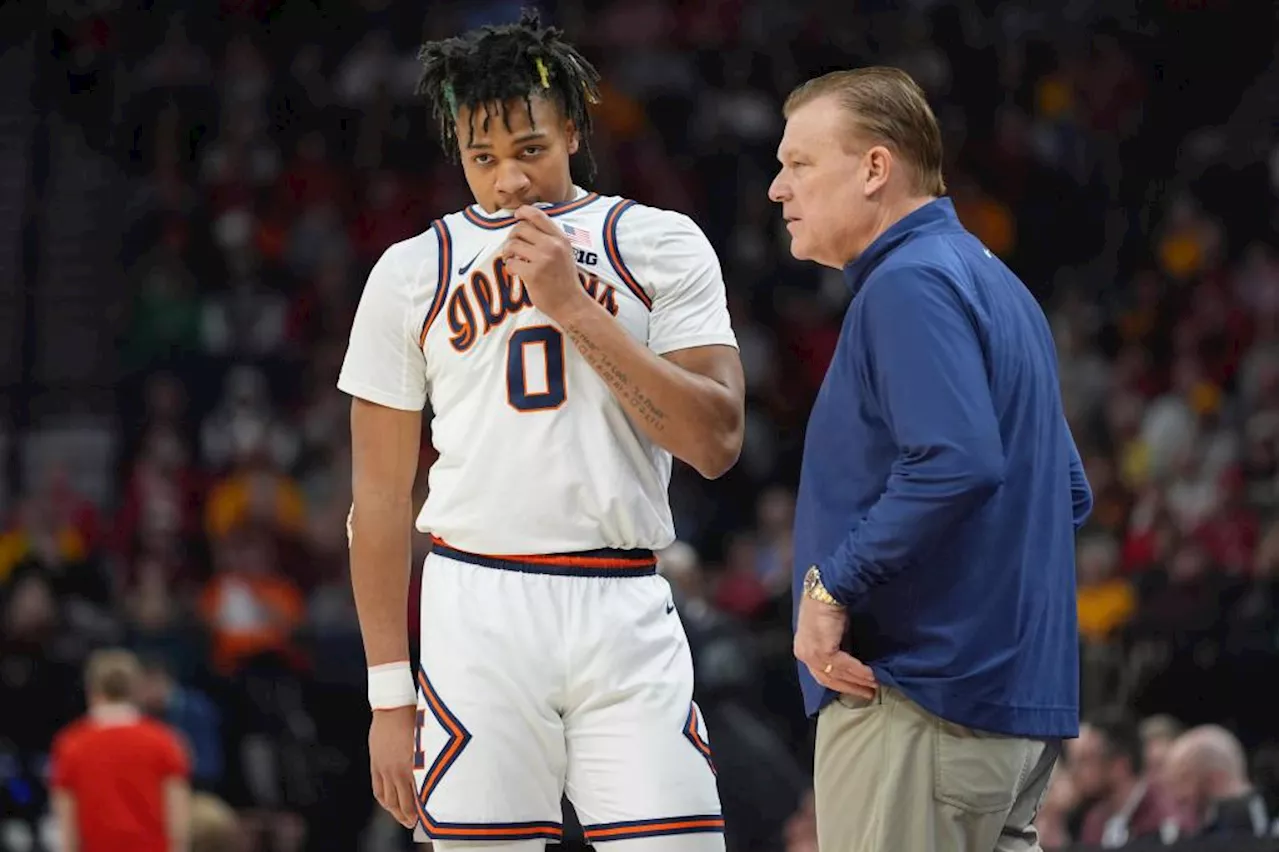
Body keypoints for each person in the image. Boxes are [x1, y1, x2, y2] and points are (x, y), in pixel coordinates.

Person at [337, 10, 744, 851]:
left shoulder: (660, 242)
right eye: (483, 159)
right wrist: (388, 696)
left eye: (529, 149)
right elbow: (376, 502)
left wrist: (569, 306)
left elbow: (715, 442)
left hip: (625, 601)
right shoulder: (411, 272)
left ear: (573, 130)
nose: (509, 181)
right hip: (475, 605)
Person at [770, 66, 1092, 852]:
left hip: (919, 706)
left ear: (875, 168)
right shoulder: (996, 283)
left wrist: (831, 585)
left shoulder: (907, 286)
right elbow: (1067, 491)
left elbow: (957, 463)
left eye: (800, 164)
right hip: (1005, 715)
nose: (779, 189)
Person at [48, 648, 193, 852]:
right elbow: (178, 821)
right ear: (136, 688)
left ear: (91, 689)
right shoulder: (164, 741)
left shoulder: (71, 744)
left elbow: (66, 826)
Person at [1068, 711, 1180, 847]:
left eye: (1086, 760)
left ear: (1120, 765)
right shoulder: (1093, 821)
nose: (1075, 771)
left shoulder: (1163, 818)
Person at [1164, 724, 1275, 839]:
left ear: (1215, 777)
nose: (1178, 795)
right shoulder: (1202, 825)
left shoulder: (1249, 827)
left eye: (1184, 779)